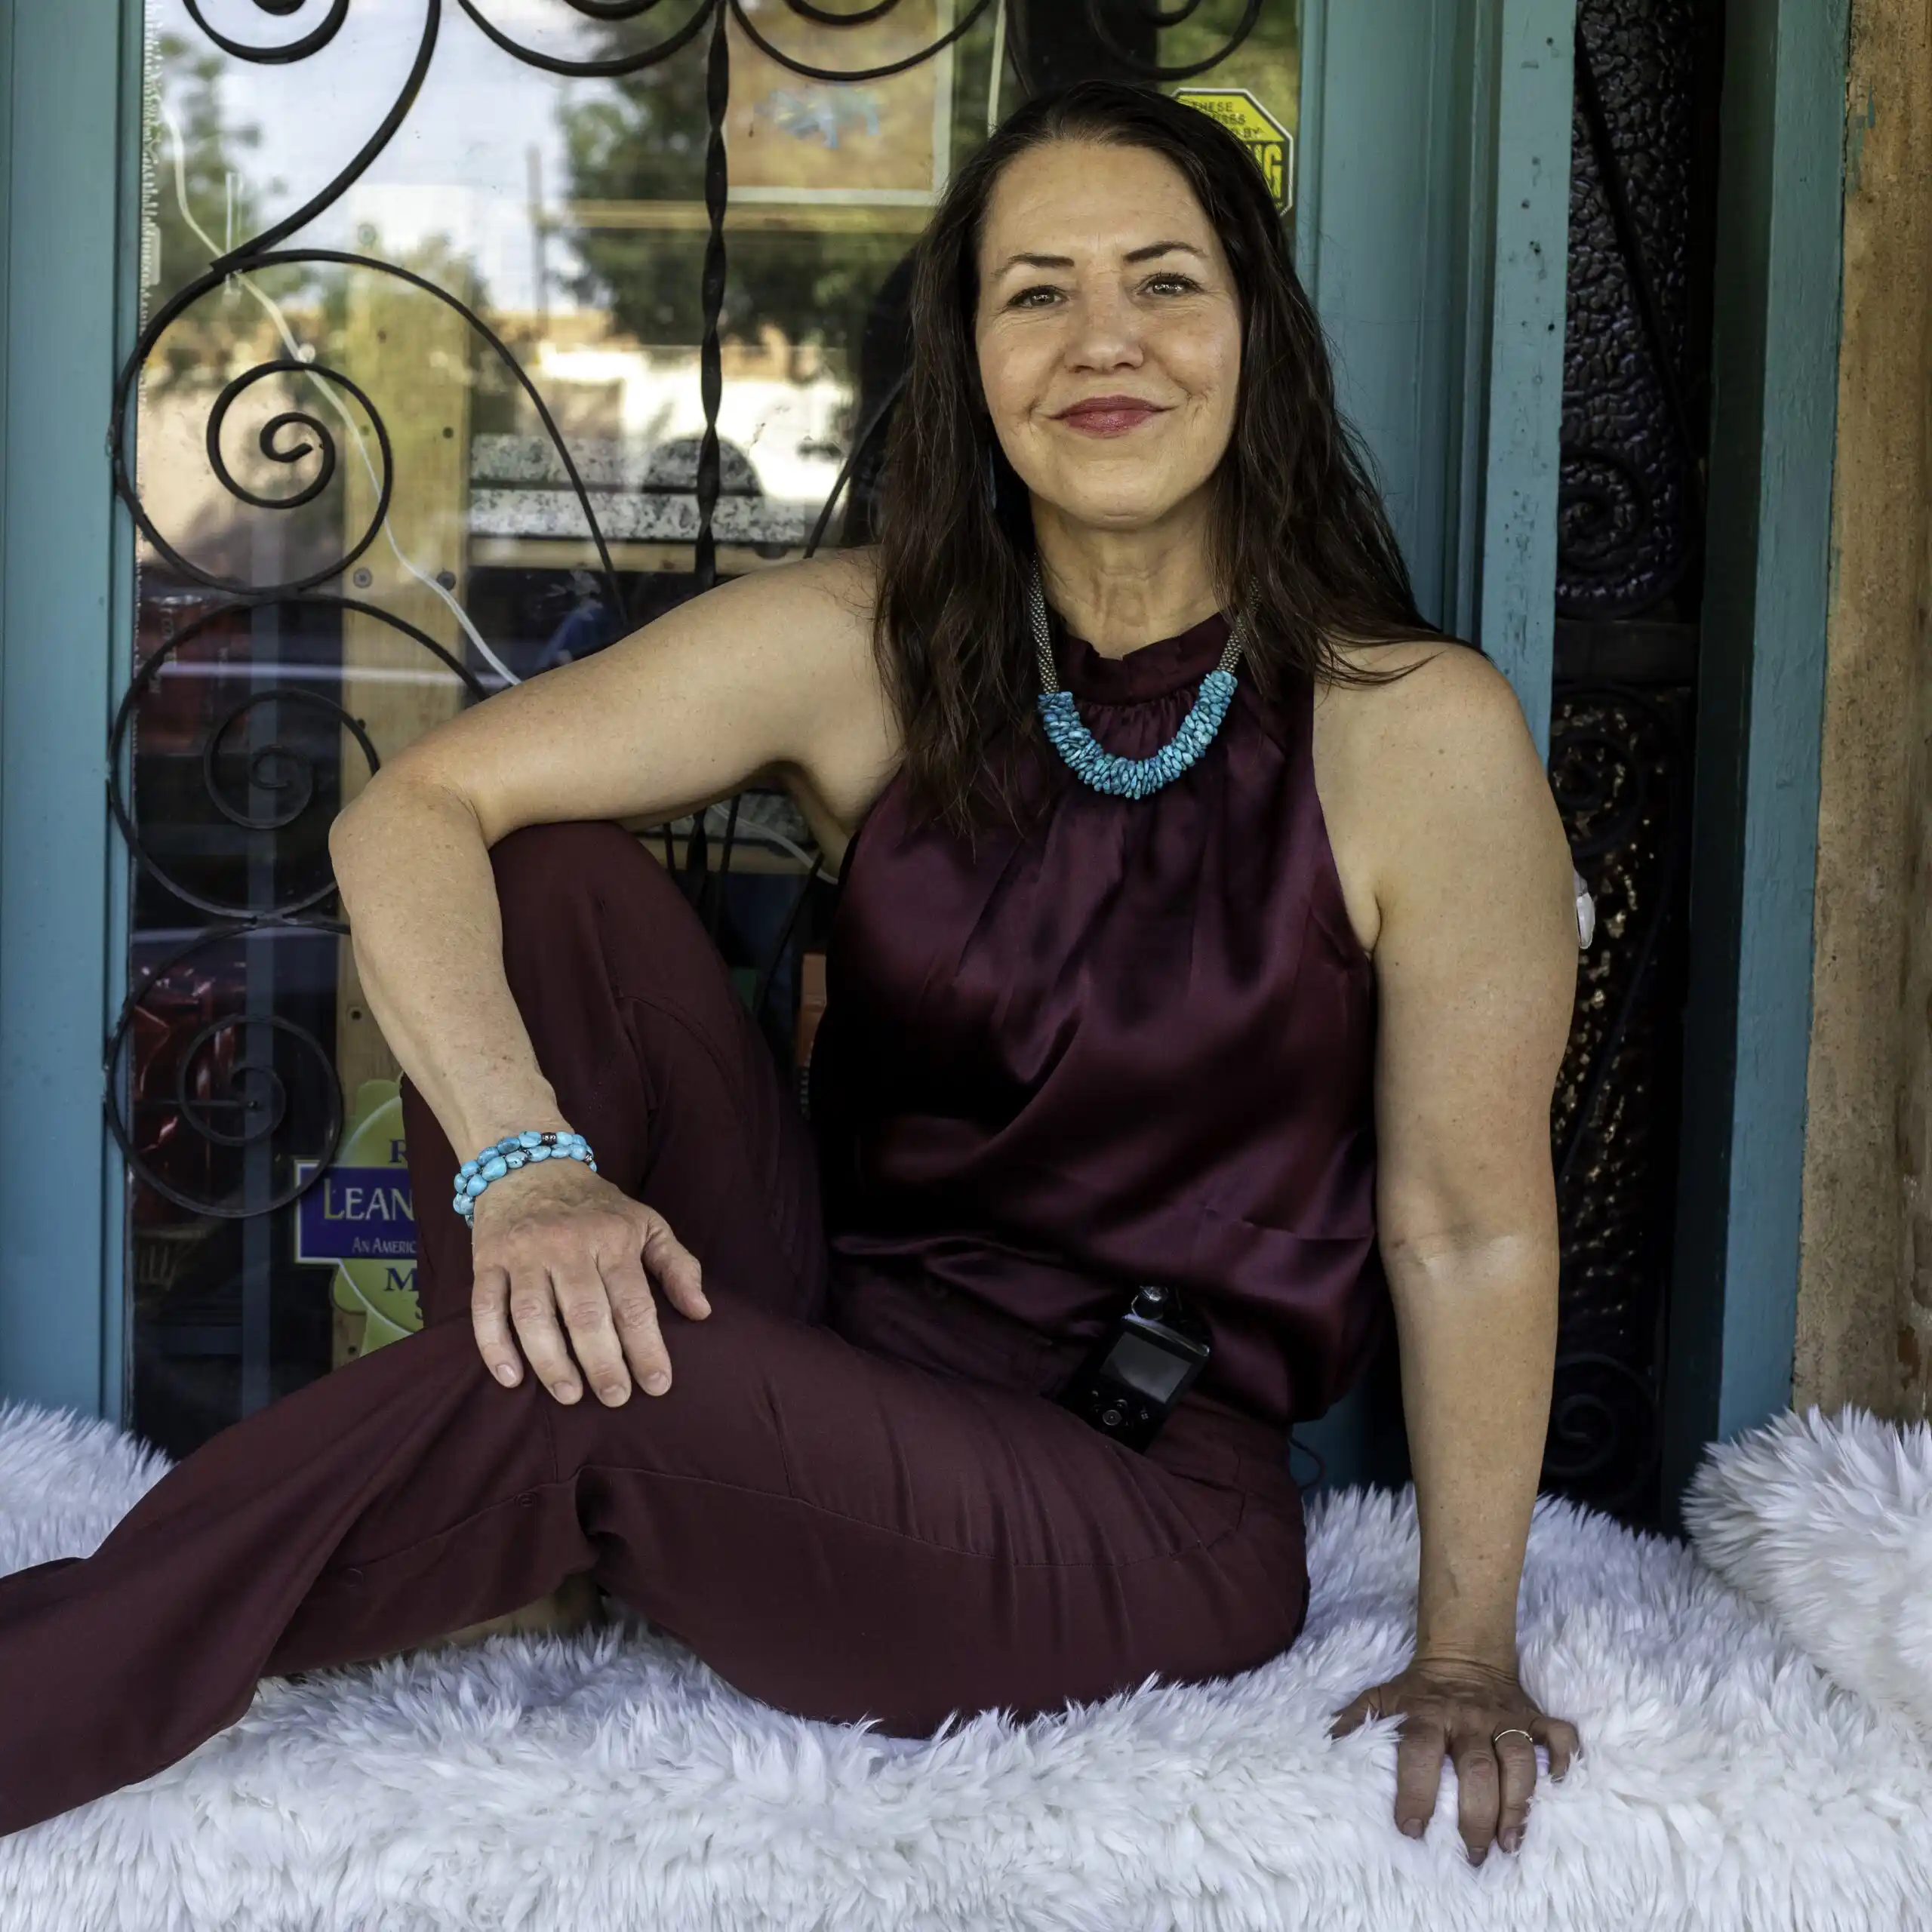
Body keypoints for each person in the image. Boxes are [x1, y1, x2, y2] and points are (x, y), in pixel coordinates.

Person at [0, 80, 1583, 1861]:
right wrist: (529, 1168)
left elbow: (1467, 1223)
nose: (1101, 342)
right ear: (972, 356)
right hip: (825, 1337)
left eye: (1163, 282)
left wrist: (1464, 1643)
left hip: (1133, 1498)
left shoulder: (1408, 728)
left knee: (589, 1393)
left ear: (1256, 336)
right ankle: (546, 1533)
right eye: (1033, 292)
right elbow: (415, 812)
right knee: (544, 869)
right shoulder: (878, 641)